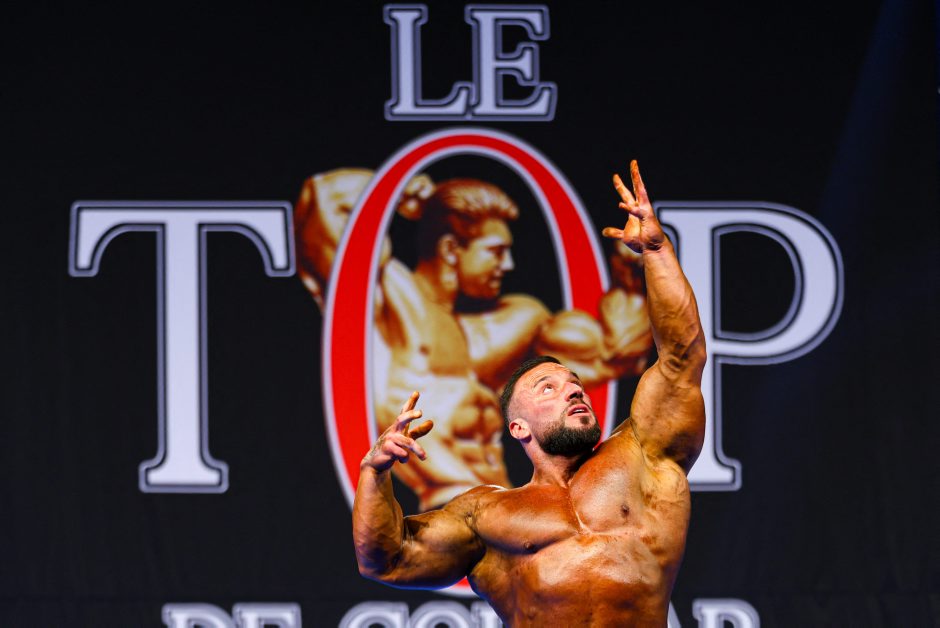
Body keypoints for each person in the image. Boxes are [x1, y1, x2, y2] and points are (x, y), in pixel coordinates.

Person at [352, 161, 706, 626]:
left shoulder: (643, 455)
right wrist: (374, 472)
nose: (573, 391)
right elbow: (388, 559)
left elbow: (681, 357)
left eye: (575, 384)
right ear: (517, 427)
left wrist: (656, 252)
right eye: (548, 388)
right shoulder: (486, 514)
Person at [296, 169, 651, 511]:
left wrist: (631, 273)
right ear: (451, 249)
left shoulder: (512, 324)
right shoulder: (392, 304)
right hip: (445, 514)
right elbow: (323, 198)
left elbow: (615, 352)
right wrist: (404, 191)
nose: (508, 265)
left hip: (506, 512)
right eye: (495, 251)